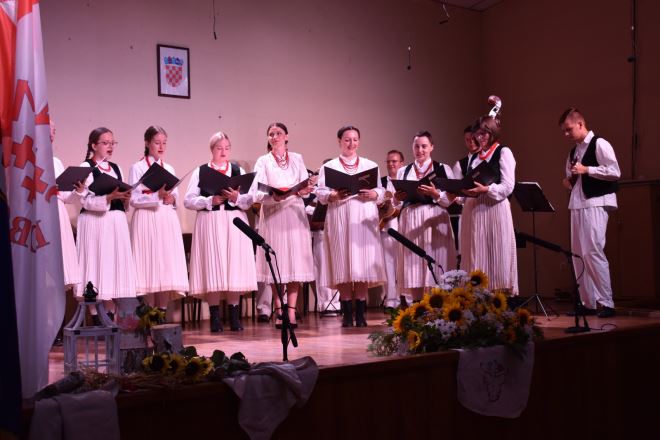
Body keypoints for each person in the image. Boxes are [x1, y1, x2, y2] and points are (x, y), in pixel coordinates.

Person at [184, 131, 258, 332]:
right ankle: (215, 316)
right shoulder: (201, 171)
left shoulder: (237, 170)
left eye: (227, 148)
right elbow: (188, 200)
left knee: (234, 266)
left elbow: (249, 200)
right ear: (212, 149)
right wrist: (210, 200)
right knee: (213, 266)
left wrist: (236, 197)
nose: (223, 152)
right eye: (219, 148)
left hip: (234, 222)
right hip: (211, 221)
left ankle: (234, 316)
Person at [316, 125, 386, 327]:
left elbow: (381, 191)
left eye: (355, 139)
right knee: (343, 262)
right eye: (347, 140)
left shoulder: (369, 165)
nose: (351, 143)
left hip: (363, 217)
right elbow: (320, 193)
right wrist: (333, 195)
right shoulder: (329, 167)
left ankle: (361, 314)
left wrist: (374, 194)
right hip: (340, 216)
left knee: (361, 263)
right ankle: (347, 313)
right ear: (339, 141)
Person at [252, 122, 315, 328]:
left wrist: (304, 190)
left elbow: (303, 184)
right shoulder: (263, 161)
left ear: (286, 136)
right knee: (276, 262)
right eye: (271, 134)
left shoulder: (297, 158)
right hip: (273, 215)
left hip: (294, 213)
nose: (275, 137)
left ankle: (291, 311)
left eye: (279, 133)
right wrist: (274, 196)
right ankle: (279, 309)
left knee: (295, 263)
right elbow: (257, 191)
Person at [559, 107, 620, 318]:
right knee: (578, 255)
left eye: (568, 129)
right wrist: (569, 181)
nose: (566, 134)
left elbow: (614, 171)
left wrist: (587, 170)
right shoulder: (573, 151)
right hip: (577, 203)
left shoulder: (600, 144)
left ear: (580, 124)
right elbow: (574, 177)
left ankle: (607, 302)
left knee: (593, 251)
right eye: (564, 131)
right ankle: (588, 302)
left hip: (596, 202)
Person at [75, 127, 137, 319]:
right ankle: (96, 316)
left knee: (113, 268)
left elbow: (122, 197)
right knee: (97, 266)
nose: (110, 146)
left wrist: (125, 198)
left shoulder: (116, 168)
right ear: (94, 145)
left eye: (112, 143)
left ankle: (110, 316)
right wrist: (108, 197)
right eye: (105, 143)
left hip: (116, 223)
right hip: (96, 223)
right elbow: (84, 200)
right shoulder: (86, 167)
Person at [128, 126, 188, 311]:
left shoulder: (169, 168)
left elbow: (175, 195)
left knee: (165, 266)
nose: (161, 147)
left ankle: (161, 312)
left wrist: (172, 198)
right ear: (147, 143)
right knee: (148, 266)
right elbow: (133, 199)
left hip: (165, 220)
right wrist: (156, 196)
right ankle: (148, 315)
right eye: (157, 142)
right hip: (146, 219)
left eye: (164, 143)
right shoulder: (137, 168)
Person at [393, 131, 456, 301]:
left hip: (434, 218)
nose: (420, 150)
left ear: (432, 147)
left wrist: (435, 193)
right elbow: (396, 202)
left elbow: (449, 200)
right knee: (413, 261)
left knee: (436, 259)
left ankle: (436, 305)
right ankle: (417, 305)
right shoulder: (403, 171)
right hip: (411, 219)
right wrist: (397, 197)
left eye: (424, 146)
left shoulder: (443, 169)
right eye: (416, 146)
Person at [460, 116, 518, 294]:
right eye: (477, 134)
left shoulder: (503, 152)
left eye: (484, 133)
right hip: (475, 210)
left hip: (494, 208)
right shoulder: (474, 158)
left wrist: (487, 189)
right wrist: (463, 192)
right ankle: (478, 297)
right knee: (476, 254)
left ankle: (498, 299)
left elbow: (508, 186)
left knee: (496, 253)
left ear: (492, 133)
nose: (480, 137)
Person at [379, 149, 407, 309]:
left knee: (406, 264)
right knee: (388, 264)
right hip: (386, 227)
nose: (391, 164)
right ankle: (391, 300)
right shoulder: (381, 182)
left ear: (402, 163)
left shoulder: (407, 180)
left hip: (405, 227)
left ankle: (408, 298)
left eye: (394, 161)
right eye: (388, 161)